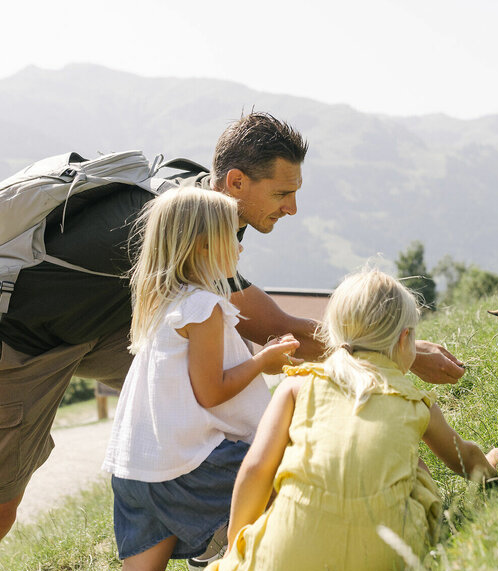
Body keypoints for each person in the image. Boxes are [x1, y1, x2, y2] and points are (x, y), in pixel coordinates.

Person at [0, 112, 465, 542]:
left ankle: (216, 525)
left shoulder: (204, 198)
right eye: (282, 193)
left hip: (104, 324)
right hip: (21, 339)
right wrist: (396, 350)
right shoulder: (183, 225)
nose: (292, 209)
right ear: (236, 181)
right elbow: (279, 332)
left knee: (228, 381)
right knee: (4, 500)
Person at [159, 269, 498, 571]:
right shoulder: (413, 399)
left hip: (289, 555)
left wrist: (237, 547)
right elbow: (464, 458)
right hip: (386, 561)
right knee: (411, 467)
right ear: (405, 340)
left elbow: (256, 471)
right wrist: (492, 467)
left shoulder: (297, 385)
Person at [98, 186, 301, 571]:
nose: (242, 246)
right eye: (233, 236)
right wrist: (264, 362)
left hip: (138, 470)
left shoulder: (161, 305)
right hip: (188, 467)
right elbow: (211, 393)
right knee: (276, 502)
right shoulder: (203, 307)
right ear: (202, 246)